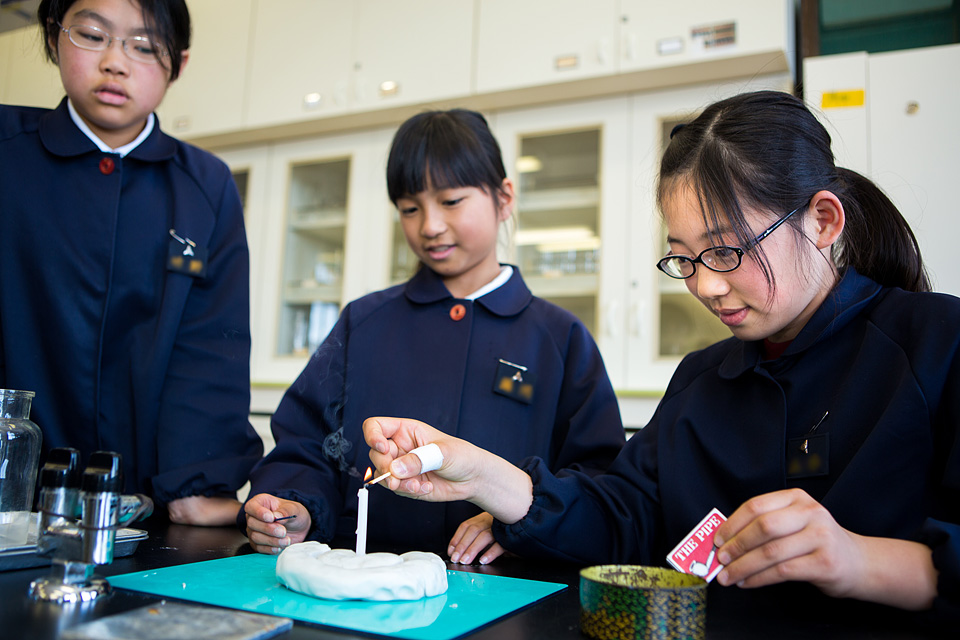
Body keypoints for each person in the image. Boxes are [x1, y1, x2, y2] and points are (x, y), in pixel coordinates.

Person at [363, 90, 960, 618]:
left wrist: (856, 559)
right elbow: (619, 519)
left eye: (725, 251)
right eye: (685, 259)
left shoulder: (936, 344)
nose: (706, 286)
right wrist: (478, 472)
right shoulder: (703, 381)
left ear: (823, 220)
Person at [242, 109, 625, 564]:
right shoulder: (364, 322)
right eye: (410, 208)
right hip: (361, 580)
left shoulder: (560, 338)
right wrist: (296, 508)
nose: (429, 226)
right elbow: (305, 444)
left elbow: (598, 481)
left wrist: (518, 514)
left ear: (504, 199)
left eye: (451, 201)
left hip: (503, 588)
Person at [0, 0, 263, 526]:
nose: (115, 62)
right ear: (53, 36)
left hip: (141, 505)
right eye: (92, 35)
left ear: (178, 64)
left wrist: (195, 481)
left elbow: (212, 345)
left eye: (144, 46)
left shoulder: (204, 185)